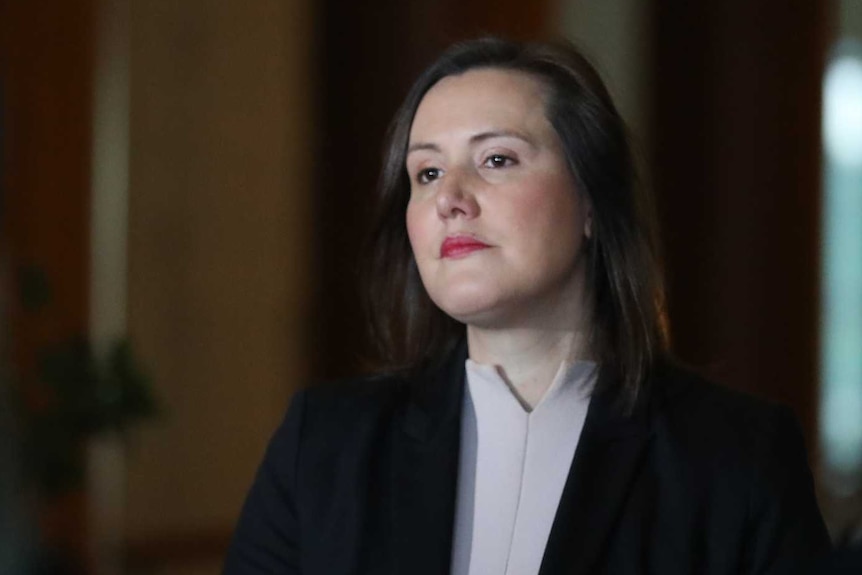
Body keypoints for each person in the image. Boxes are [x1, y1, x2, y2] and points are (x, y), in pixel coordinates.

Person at [224, 37, 830, 575]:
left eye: (496, 160)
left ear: (592, 201)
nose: (450, 200)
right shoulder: (325, 445)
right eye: (427, 172)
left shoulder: (736, 456)